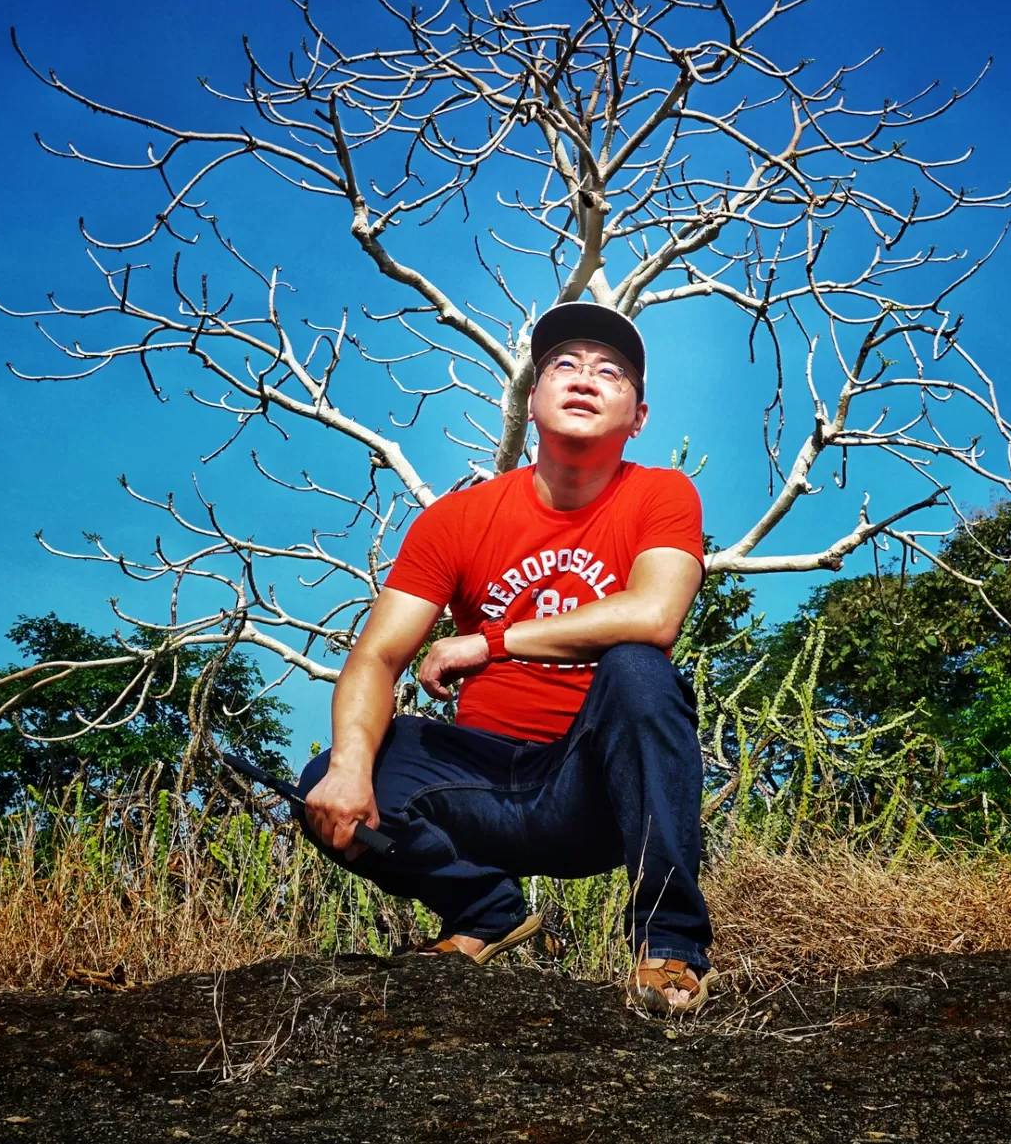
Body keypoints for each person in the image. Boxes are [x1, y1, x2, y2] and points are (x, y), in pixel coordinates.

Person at [298, 301, 714, 1014]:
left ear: (638, 417)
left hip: (591, 788)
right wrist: (345, 769)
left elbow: (655, 615)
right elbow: (375, 656)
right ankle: (484, 913)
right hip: (483, 785)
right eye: (563, 364)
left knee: (638, 669)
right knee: (334, 770)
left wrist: (491, 640)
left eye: (610, 371)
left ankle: (668, 948)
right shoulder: (457, 518)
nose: (585, 377)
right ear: (531, 396)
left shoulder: (660, 492)